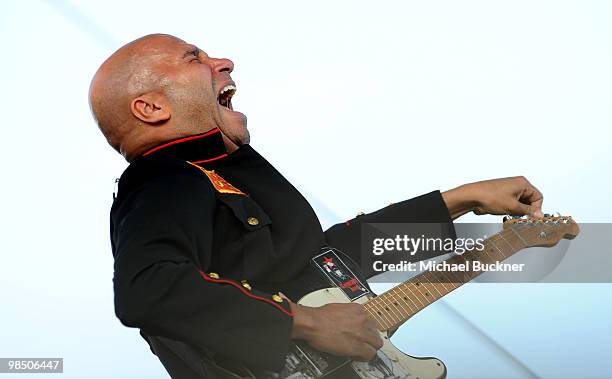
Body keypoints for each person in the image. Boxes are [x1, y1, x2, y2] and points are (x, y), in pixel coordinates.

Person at [89, 34, 544, 378]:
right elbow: (147, 288)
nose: (223, 62)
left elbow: (325, 265)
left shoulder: (216, 174)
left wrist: (459, 200)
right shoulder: (163, 177)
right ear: (150, 108)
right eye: (195, 58)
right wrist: (304, 323)